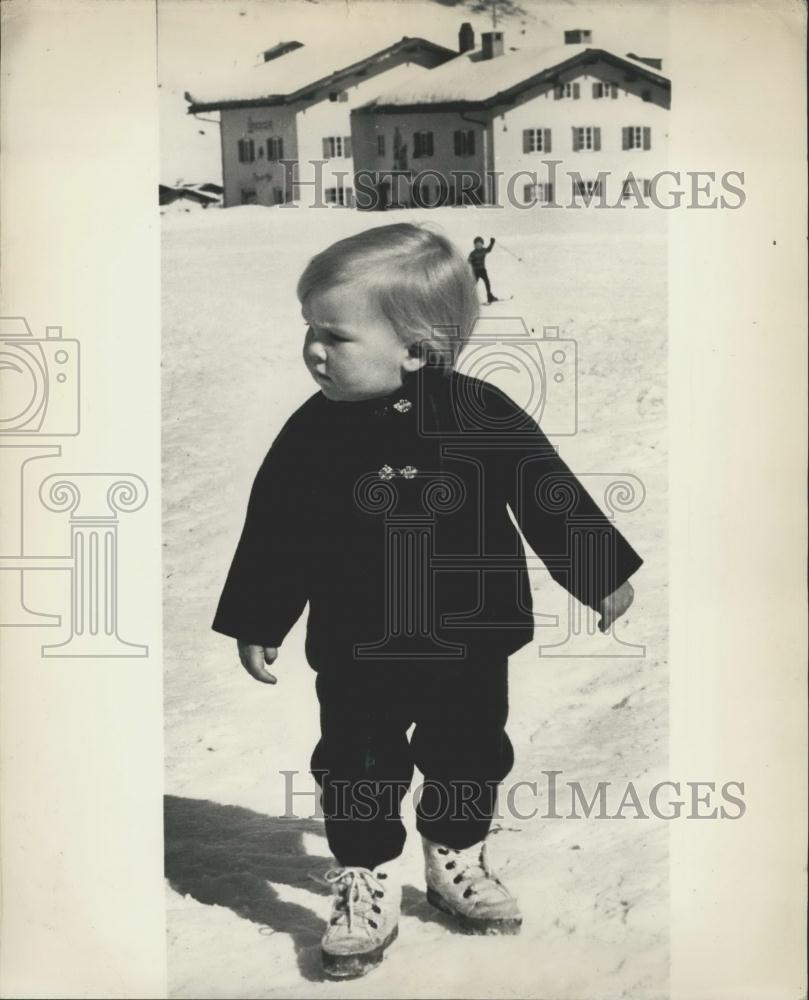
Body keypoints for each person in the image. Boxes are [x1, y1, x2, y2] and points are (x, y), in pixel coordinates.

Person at [213, 223, 642, 979]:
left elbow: (545, 492)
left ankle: (455, 855)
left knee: (469, 754)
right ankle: (365, 877)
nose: (314, 350)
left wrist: (597, 568)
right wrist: (257, 614)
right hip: (359, 643)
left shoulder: (481, 413)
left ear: (415, 348)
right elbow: (277, 527)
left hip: (469, 637)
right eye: (309, 331)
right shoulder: (312, 434)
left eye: (335, 336)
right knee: (355, 763)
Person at [468, 235, 498, 303]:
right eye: (476, 244)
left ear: (482, 244)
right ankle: (469, 298)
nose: (478, 245)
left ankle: (489, 296)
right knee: (473, 284)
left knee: (487, 282)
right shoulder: (472, 253)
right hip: (475, 271)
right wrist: (472, 261)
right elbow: (468, 261)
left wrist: (492, 243)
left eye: (479, 244)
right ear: (474, 245)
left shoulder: (483, 250)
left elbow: (489, 249)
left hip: (482, 270)